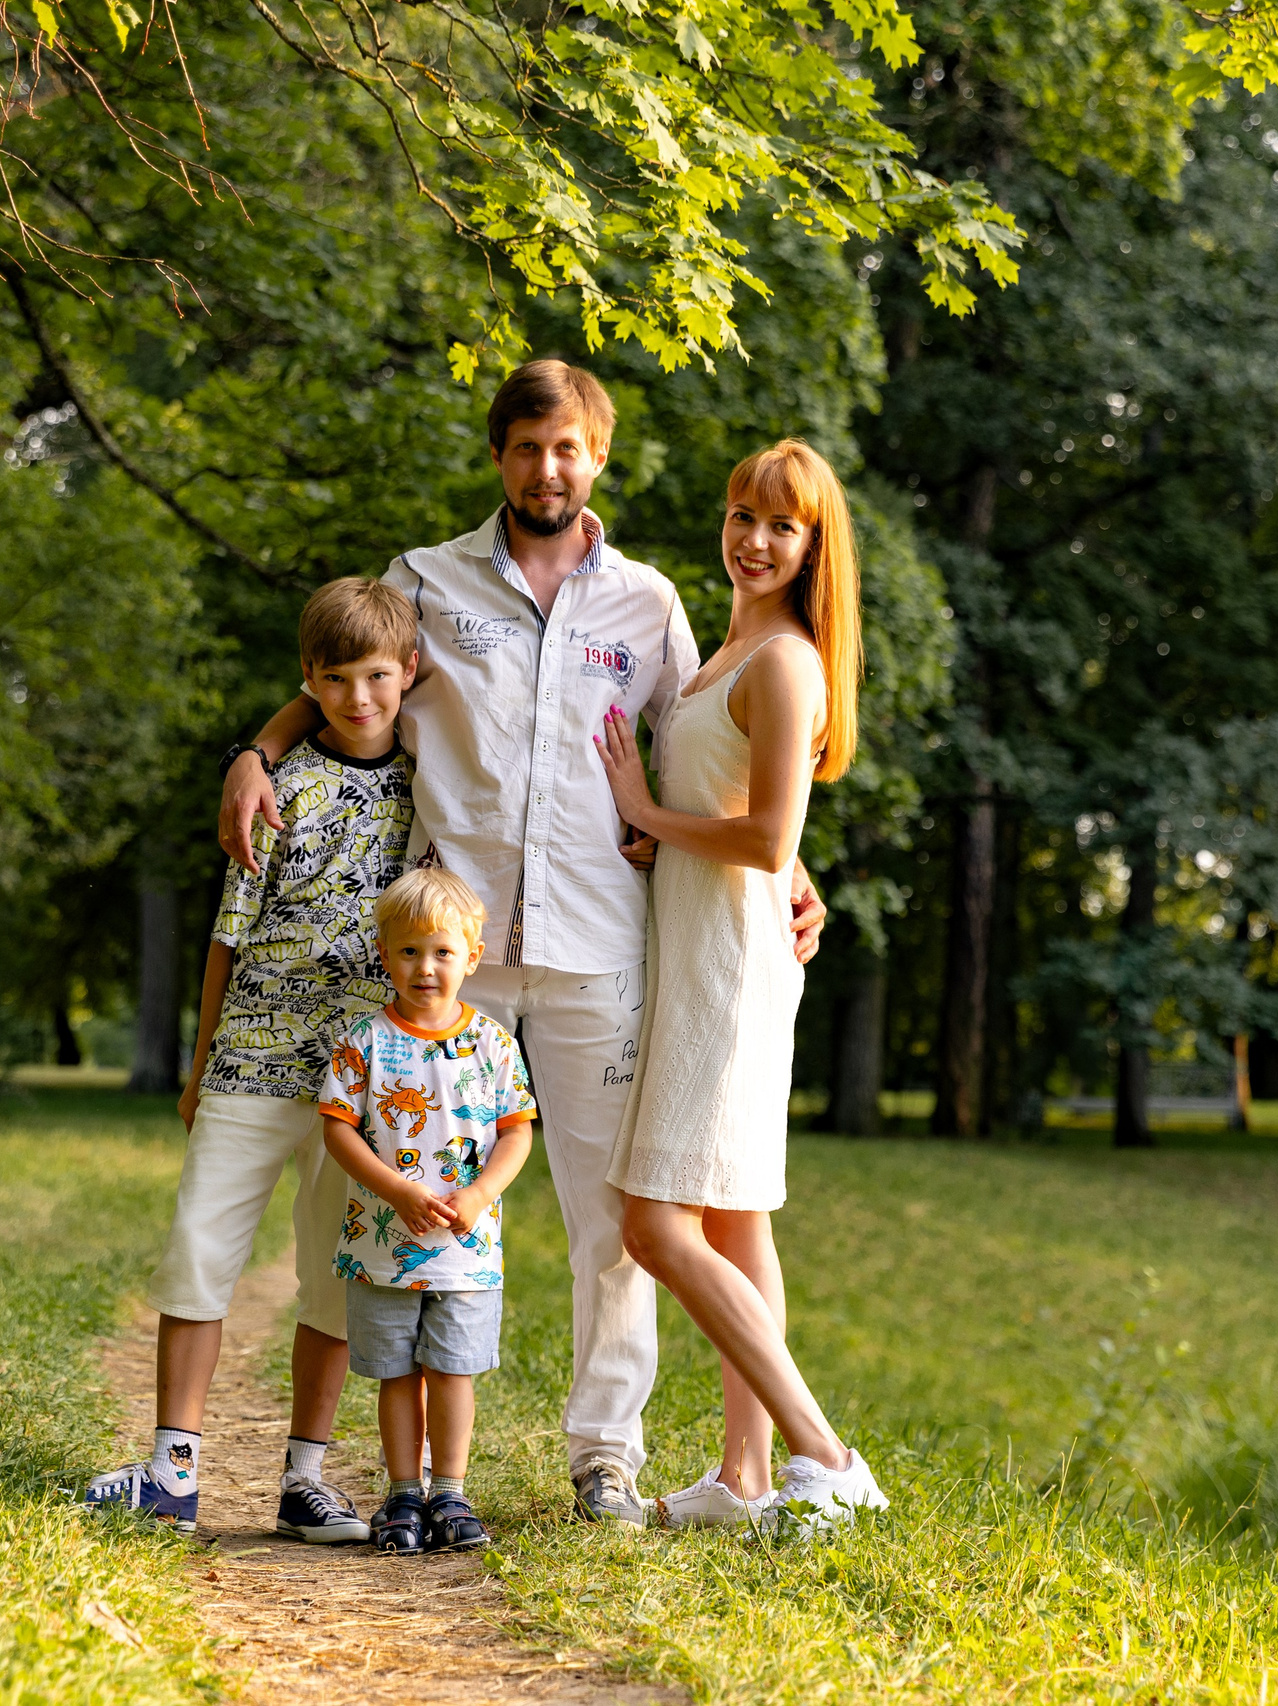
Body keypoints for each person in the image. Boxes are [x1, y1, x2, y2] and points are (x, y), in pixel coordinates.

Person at [217, 361, 829, 1526]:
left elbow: (708, 734)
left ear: (599, 457)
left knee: (613, 1218)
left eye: (569, 449)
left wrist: (792, 865)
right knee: (397, 1191)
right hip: (455, 954)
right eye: (525, 448)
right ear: (498, 455)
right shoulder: (428, 581)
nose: (547, 469)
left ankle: (606, 1452)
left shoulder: (647, 601)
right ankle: (382, 1464)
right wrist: (256, 749)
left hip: (604, 947)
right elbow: (356, 677)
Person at [84, 577, 420, 1542]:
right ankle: (171, 1469)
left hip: (358, 1080)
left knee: (331, 1277)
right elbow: (225, 941)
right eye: (337, 679)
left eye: (377, 677)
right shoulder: (276, 789)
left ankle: (304, 1480)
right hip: (250, 1064)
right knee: (199, 1253)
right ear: (308, 681)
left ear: (407, 675)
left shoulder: (428, 789)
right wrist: (198, 1066)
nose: (360, 699)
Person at [593, 439, 887, 1530]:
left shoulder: (785, 661)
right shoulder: (729, 651)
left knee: (654, 1226)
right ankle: (744, 1477)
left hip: (731, 967)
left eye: (780, 525)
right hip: (702, 947)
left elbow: (767, 840)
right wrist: (657, 843)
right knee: (732, 1219)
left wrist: (644, 809)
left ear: (813, 546)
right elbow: (743, 818)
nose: (753, 540)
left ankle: (826, 1456)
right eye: (740, 516)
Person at [318, 868, 538, 1553]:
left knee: (452, 1369)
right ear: (385, 954)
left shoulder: (494, 1044)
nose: (425, 967)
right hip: (383, 1245)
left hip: (465, 1251)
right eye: (410, 951)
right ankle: (403, 1495)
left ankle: (451, 1491)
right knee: (396, 1371)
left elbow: (517, 1131)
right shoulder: (365, 1042)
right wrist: (396, 1190)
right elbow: (338, 1128)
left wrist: (477, 1195)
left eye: (442, 951)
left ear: (471, 958)